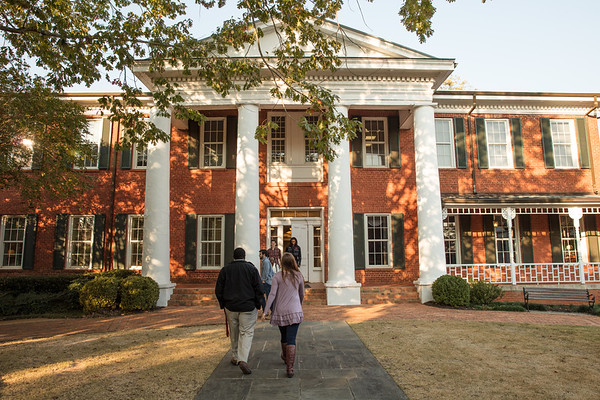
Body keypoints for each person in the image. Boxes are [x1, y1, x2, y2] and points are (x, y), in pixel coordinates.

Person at [215, 247, 263, 375]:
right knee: (246, 333)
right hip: (248, 306)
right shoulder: (251, 269)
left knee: (234, 331)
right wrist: (258, 304)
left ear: (234, 256)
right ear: (244, 256)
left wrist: (223, 304)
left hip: (231, 306)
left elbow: (218, 289)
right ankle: (242, 359)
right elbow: (259, 288)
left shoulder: (225, 270)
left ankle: (235, 356)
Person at [262, 252, 305, 378]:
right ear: (293, 262)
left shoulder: (277, 276)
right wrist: (299, 305)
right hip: (294, 310)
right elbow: (302, 294)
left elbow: (272, 294)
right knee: (292, 338)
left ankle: (286, 357)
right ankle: (290, 368)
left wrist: (265, 311)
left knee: (284, 337)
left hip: (280, 311)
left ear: (282, 263)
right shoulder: (299, 276)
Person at [259, 249, 274, 314]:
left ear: (264, 254)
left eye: (260, 254)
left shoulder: (266, 262)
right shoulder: (265, 261)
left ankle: (270, 311)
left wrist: (263, 280)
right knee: (265, 297)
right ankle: (266, 311)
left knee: (267, 297)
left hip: (267, 282)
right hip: (267, 281)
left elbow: (266, 272)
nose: (259, 255)